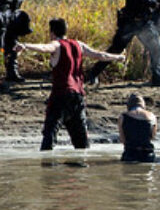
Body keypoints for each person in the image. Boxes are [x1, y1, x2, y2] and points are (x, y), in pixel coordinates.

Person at [15, 18, 125, 150]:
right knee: (82, 144)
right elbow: (100, 55)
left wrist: (26, 45)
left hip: (61, 96)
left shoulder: (57, 45)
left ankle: (48, 164)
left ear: (52, 32)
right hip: (77, 97)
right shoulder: (78, 44)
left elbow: (44, 48)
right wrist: (118, 57)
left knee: (49, 138)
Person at [118, 94, 157, 162]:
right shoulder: (152, 116)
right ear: (143, 105)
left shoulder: (123, 117)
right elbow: (152, 136)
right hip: (147, 154)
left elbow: (122, 139)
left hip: (130, 154)